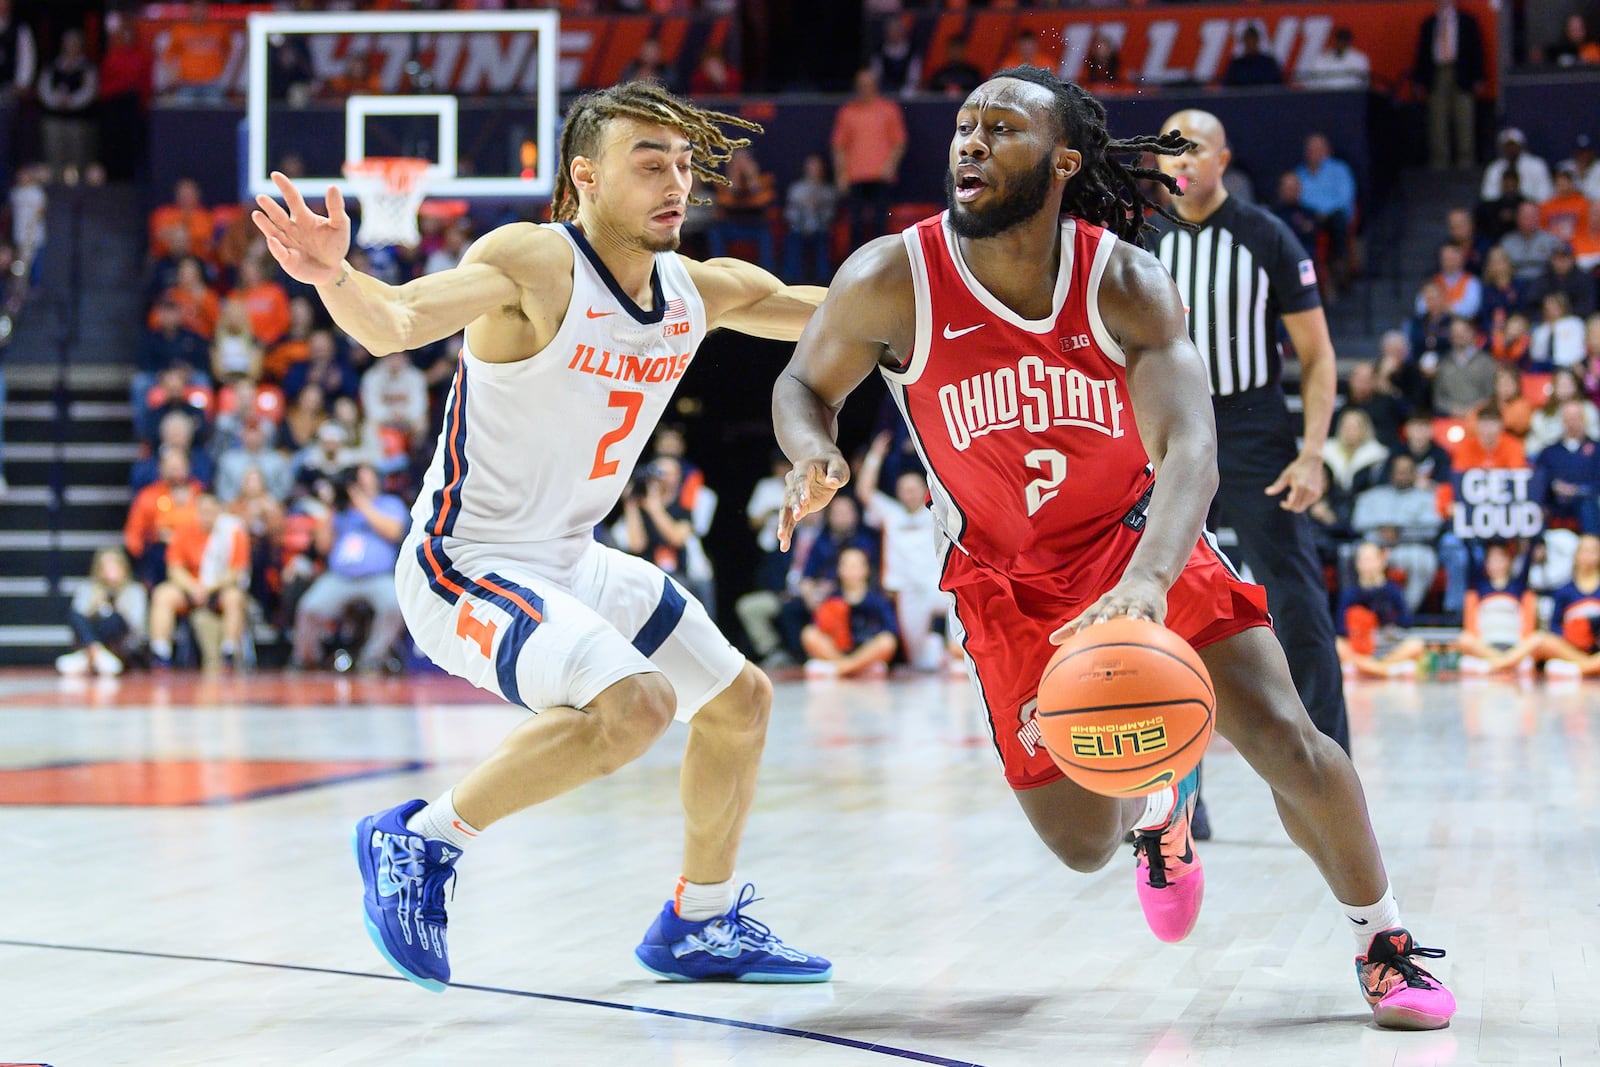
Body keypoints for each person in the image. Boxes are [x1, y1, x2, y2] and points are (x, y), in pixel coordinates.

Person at [771, 67, 1455, 1028]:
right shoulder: (894, 276)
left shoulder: (1124, 280)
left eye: (999, 128)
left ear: (1062, 161)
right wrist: (812, 454)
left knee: (1288, 737)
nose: (969, 140)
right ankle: (1157, 810)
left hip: (1137, 545)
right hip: (1004, 582)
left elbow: (1192, 449)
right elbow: (804, 384)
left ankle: (1383, 941)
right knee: (1081, 843)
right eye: (964, 125)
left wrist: (1146, 579)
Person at [252, 81, 830, 991]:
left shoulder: (698, 288)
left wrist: (954, 299)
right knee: (634, 704)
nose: (675, 180)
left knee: (740, 703)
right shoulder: (534, 264)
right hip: (463, 562)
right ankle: (419, 839)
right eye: (649, 162)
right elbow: (396, 320)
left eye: (683, 164)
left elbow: (843, 315)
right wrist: (334, 275)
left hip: (572, 560)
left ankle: (701, 920)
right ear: (586, 177)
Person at [1147, 109, 1351, 758]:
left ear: (1223, 160)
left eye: (1196, 149)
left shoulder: (1267, 237)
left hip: (1253, 423)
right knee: (1162, 592)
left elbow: (1318, 356)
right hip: (1170, 427)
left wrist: (1313, 452)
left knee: (1293, 593)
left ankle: (1328, 758)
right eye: (1171, 151)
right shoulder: (1145, 241)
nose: (1182, 161)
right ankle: (1172, 787)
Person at [290, 464, 409, 672]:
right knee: (310, 607)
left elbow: (394, 532)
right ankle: (306, 658)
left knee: (395, 605)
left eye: (363, 479)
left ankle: (372, 658)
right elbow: (323, 546)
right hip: (340, 578)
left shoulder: (389, 503)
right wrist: (330, 509)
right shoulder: (341, 510)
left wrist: (362, 503)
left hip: (378, 577)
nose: (359, 484)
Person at [856, 432, 944, 670]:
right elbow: (865, 491)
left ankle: (954, 655)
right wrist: (875, 456)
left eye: (914, 488)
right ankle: (935, 653)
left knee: (963, 619)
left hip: (940, 588)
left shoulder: (936, 512)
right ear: (898, 492)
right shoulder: (891, 513)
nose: (910, 493)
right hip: (907, 591)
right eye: (905, 489)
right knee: (918, 658)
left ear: (924, 489)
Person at [146, 492, 250, 671]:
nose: (206, 515)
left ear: (219, 511)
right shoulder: (184, 530)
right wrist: (193, 588)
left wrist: (209, 588)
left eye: (211, 511)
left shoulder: (232, 532)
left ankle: (228, 653)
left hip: (218, 589)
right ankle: (160, 653)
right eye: (202, 511)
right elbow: (175, 568)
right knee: (163, 594)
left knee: (234, 598)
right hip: (191, 589)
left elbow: (236, 572)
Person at [1348, 453, 1442, 613]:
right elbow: (1357, 523)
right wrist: (1379, 531)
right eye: (1398, 471)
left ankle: (1405, 612)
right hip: (1374, 546)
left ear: (1414, 473)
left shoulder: (1426, 497)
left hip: (1409, 546)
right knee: (1347, 553)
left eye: (1407, 471)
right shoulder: (1372, 495)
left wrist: (1402, 532)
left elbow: (1433, 527)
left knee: (1424, 559)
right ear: (1390, 473)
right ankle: (1355, 609)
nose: (1402, 475)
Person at [832, 69, 906, 250]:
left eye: (868, 85)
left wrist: (889, 167)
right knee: (855, 225)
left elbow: (899, 143)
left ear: (875, 85)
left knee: (881, 223)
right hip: (855, 176)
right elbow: (839, 146)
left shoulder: (889, 109)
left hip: (881, 176)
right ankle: (855, 268)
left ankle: (882, 267)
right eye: (861, 85)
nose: (865, 89)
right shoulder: (847, 112)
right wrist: (841, 175)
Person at [800, 545, 898, 678]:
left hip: (866, 649)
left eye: (855, 566)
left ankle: (843, 668)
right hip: (838, 650)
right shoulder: (832, 598)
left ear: (865, 569)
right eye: (846, 566)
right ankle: (851, 667)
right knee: (809, 634)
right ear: (839, 569)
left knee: (887, 642)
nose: (851, 571)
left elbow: (890, 631)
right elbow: (818, 627)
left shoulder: (877, 599)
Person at [1334, 542, 1426, 678]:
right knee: (1337, 645)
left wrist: (1388, 622)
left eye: (1371, 559)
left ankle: (1373, 668)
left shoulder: (1393, 590)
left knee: (1416, 644)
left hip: (1387, 645)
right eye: (1364, 560)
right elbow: (1341, 628)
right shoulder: (1350, 594)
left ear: (1381, 561)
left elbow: (1406, 621)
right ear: (1357, 564)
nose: (1368, 564)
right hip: (1360, 646)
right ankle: (1385, 670)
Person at [1413, 0, 1485, 171]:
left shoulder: (1467, 21)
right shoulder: (1429, 23)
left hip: (1462, 73)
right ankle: (1439, 161)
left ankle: (1465, 160)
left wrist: (1479, 77)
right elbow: (1422, 54)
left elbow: (1476, 50)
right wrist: (1419, 81)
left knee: (1464, 117)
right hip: (1437, 73)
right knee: (1437, 119)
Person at [56, 546, 147, 678]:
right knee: (75, 615)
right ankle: (97, 654)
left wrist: (117, 606)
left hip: (120, 643)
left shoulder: (134, 591)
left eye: (113, 566)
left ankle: (87, 658)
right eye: (105, 567)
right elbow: (79, 618)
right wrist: (95, 606)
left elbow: (136, 625)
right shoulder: (87, 588)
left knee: (114, 619)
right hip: (93, 631)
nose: (109, 571)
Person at [1455, 540, 1539, 674]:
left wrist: (1535, 537)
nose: (1497, 565)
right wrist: (1467, 540)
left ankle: (1497, 663)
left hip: (1514, 646)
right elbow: (1470, 560)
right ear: (1486, 565)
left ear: (1509, 562)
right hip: (1485, 646)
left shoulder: (1518, 587)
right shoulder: (1480, 588)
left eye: (1500, 559)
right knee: (1464, 638)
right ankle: (1505, 662)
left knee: (1537, 639)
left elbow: (1528, 560)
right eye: (1492, 560)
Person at [1531, 398, 1600, 534]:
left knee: (1587, 505)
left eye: (1576, 418)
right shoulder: (1549, 452)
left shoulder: (1597, 449)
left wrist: (1578, 490)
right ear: (1562, 421)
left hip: (1588, 502)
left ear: (1584, 420)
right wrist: (1554, 485)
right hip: (1556, 504)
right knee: (1536, 506)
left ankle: (1593, 546)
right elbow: (1538, 479)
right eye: (1568, 418)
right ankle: (1536, 548)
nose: (1572, 423)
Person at [783, 154, 838, 284]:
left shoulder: (828, 191)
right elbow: (789, 213)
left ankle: (823, 280)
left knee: (824, 241)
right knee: (793, 239)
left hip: (820, 229)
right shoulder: (796, 189)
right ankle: (791, 279)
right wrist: (801, 220)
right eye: (811, 166)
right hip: (799, 229)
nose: (814, 170)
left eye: (817, 167)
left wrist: (818, 208)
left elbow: (831, 215)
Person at [1482, 128, 1552, 205]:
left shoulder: (1537, 165)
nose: (1511, 149)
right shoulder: (1494, 168)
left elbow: (1545, 194)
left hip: (1531, 208)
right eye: (1507, 146)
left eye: (1514, 145)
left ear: (1521, 145)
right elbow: (1488, 195)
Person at [1297, 26, 1370, 91]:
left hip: (1349, 97)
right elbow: (1311, 82)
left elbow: (1363, 84)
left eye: (1345, 40)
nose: (1341, 43)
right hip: (1324, 97)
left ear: (1349, 42)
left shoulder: (1359, 59)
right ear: (1335, 40)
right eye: (1339, 40)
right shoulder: (1322, 58)